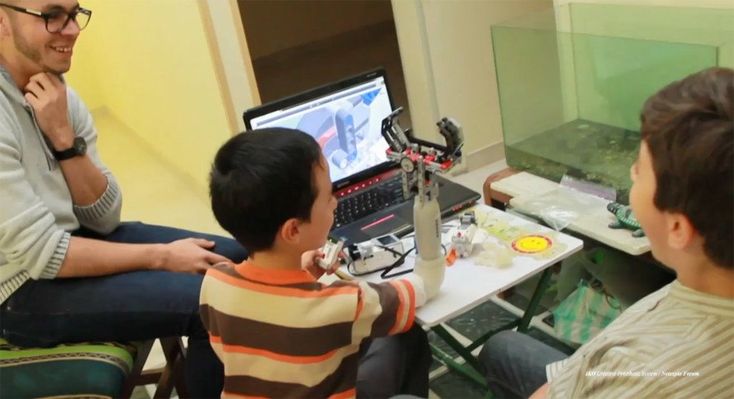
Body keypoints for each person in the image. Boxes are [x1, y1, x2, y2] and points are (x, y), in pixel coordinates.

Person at [0, 1, 247, 396]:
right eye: (51, 15)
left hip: (77, 240)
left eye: (74, 12)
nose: (72, 29)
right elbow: (42, 254)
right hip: (21, 290)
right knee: (215, 304)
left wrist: (65, 141)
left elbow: (104, 217)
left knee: (244, 258)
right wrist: (162, 256)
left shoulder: (55, 92)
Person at [479, 66, 734, 398]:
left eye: (639, 171)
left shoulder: (645, 380)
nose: (630, 174)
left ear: (677, 228)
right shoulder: (707, 279)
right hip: (590, 374)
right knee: (502, 347)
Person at [201, 128, 442, 398]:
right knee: (408, 334)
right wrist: (431, 265)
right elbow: (414, 292)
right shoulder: (342, 304)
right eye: (328, 196)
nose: (336, 202)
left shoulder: (214, 284)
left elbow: (267, 329)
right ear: (292, 231)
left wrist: (299, 271)